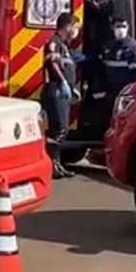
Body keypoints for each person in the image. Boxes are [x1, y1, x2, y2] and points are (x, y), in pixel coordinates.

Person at [41, 12, 79, 180]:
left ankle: (57, 164)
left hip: (63, 89)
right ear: (68, 26)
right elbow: (53, 64)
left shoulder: (64, 46)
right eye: (75, 27)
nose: (76, 31)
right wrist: (63, 82)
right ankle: (52, 166)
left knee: (62, 129)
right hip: (56, 89)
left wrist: (72, 87)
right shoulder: (54, 43)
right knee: (58, 130)